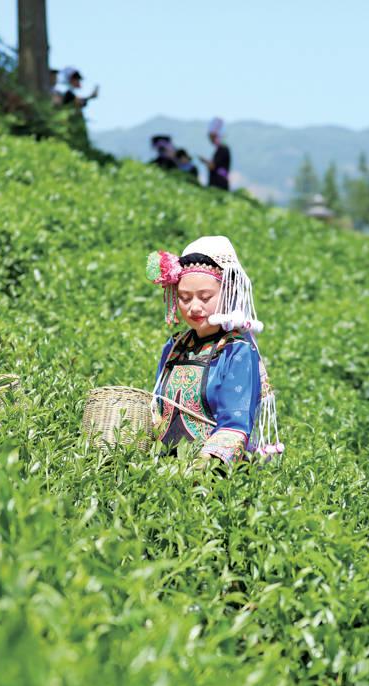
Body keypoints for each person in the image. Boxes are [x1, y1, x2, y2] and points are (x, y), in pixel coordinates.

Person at [148, 236, 282, 463]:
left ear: (228, 293)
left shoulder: (238, 350)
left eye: (205, 297)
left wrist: (201, 467)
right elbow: (156, 409)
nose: (194, 307)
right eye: (185, 298)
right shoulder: (174, 347)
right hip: (163, 466)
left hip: (213, 474)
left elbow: (235, 425)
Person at [199, 117, 231, 191]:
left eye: (212, 137)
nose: (210, 139)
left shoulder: (223, 149)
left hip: (219, 184)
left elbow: (213, 166)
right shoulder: (221, 149)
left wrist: (204, 161)